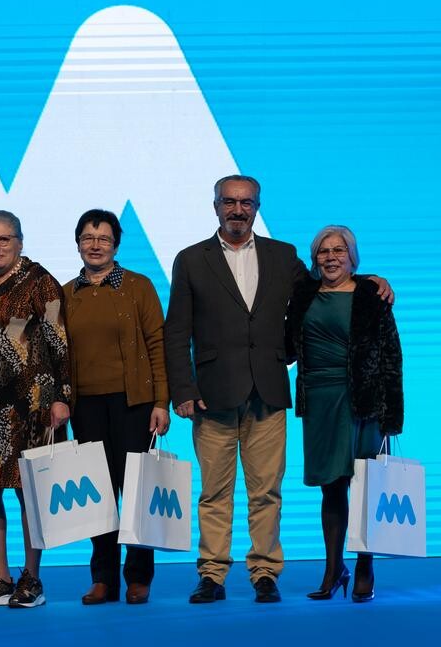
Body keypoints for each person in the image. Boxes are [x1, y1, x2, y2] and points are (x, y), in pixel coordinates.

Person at [165, 174, 392, 605]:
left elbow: (327, 282)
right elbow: (177, 330)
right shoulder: (191, 259)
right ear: (216, 206)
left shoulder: (282, 255)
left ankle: (265, 573)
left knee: (267, 492)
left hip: (267, 393)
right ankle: (212, 574)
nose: (237, 210)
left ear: (257, 207)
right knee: (214, 493)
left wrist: (370, 279)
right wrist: (182, 389)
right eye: (229, 202)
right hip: (211, 395)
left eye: (246, 202)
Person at [286, 225, 403, 603]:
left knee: (366, 486)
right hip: (319, 401)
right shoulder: (303, 295)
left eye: (339, 250)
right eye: (324, 251)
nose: (331, 257)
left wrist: (392, 417)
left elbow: (391, 357)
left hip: (364, 404)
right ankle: (333, 569)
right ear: (314, 258)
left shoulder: (372, 295)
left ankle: (365, 564)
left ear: (352, 258)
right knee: (331, 487)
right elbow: (287, 346)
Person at [0, 210, 71, 609]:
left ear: (20, 242)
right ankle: (0, 577)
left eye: (3, 239)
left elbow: (60, 343)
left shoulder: (41, 282)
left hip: (33, 406)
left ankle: (31, 578)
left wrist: (63, 397)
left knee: (30, 492)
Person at [63, 209, 170, 605]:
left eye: (103, 238)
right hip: (85, 407)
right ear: (78, 243)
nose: (95, 245)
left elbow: (157, 345)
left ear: (116, 245)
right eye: (88, 238)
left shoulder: (139, 287)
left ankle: (138, 576)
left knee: (136, 494)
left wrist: (161, 402)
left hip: (133, 404)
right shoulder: (65, 294)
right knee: (98, 497)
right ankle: (103, 578)